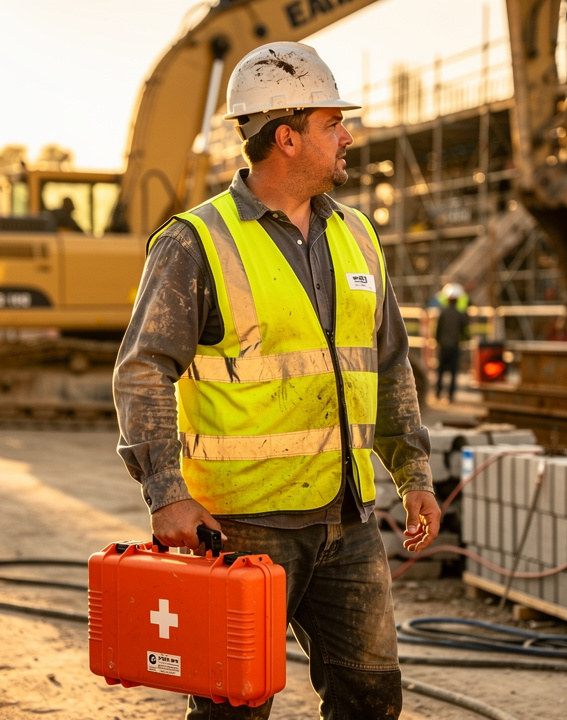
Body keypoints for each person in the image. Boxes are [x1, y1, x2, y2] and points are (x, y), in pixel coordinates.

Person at [113, 41, 441, 720]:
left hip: (347, 521)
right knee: (235, 708)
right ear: (286, 137)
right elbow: (143, 371)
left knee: (372, 699)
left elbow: (387, 365)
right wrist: (167, 495)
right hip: (243, 529)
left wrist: (415, 477)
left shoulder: (358, 234)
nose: (347, 136)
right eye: (332, 124)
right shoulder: (195, 242)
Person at [434, 284, 469, 403]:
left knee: (441, 371)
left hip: (444, 346)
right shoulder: (460, 314)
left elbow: (438, 330)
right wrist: (464, 339)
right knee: (453, 372)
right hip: (454, 346)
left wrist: (438, 342)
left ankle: (438, 393)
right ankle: (451, 395)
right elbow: (465, 331)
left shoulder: (443, 313)